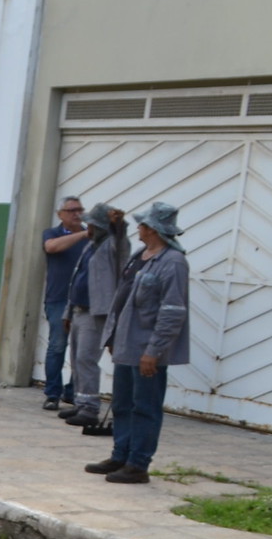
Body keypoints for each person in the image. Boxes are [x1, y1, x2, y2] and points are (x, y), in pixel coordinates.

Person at [88, 202, 190, 485]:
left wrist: (154, 351)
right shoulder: (139, 255)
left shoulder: (173, 263)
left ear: (154, 229)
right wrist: (112, 336)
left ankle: (138, 463)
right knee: (122, 403)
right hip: (126, 344)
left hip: (147, 349)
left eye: (143, 225)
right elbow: (123, 299)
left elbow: (172, 312)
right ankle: (121, 454)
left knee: (145, 406)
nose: (139, 228)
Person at [60, 203, 127, 425]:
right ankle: (80, 402)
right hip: (79, 310)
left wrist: (119, 226)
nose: (87, 227)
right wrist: (68, 311)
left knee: (86, 359)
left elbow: (121, 244)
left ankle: (89, 409)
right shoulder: (90, 246)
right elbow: (76, 279)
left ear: (100, 227)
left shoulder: (110, 246)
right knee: (76, 359)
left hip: (95, 313)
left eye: (91, 224)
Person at [40, 196, 91, 410]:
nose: (76, 214)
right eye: (71, 210)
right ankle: (53, 393)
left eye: (79, 209)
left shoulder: (92, 237)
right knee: (57, 346)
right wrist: (83, 234)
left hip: (85, 301)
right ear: (60, 214)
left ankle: (73, 392)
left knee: (82, 349)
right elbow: (51, 247)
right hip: (58, 299)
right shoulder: (53, 233)